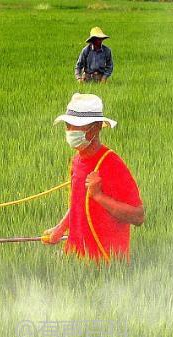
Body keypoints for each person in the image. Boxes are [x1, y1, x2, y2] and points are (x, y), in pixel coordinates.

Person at [43, 93, 144, 262]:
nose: (70, 131)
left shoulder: (112, 164)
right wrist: (60, 229)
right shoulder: (76, 160)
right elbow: (78, 203)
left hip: (105, 263)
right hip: (76, 256)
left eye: (78, 126)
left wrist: (99, 196)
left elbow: (138, 217)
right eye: (68, 125)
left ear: (96, 127)